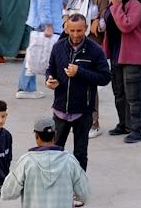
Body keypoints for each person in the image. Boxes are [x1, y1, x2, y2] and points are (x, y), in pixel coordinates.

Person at [45, 12, 110, 169]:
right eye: (72, 30)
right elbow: (50, 69)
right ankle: (55, 185)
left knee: (80, 153)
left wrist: (80, 72)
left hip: (83, 112)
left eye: (79, 31)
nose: (75, 35)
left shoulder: (95, 50)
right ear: (66, 28)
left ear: (86, 29)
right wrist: (49, 80)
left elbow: (105, 77)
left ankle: (78, 189)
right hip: (60, 110)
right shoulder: (58, 47)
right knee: (55, 151)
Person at [106, 0, 141, 144]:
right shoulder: (113, 2)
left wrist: (116, 5)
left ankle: (138, 129)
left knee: (134, 95)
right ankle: (124, 124)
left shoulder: (134, 3)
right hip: (117, 53)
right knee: (119, 93)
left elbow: (126, 25)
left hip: (133, 55)